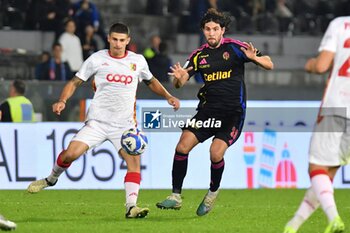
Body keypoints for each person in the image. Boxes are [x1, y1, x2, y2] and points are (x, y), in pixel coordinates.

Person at [27, 22, 180, 219]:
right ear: (108, 38)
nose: (118, 44)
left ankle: (131, 207)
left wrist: (168, 96)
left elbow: (151, 81)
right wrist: (62, 100)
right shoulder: (97, 59)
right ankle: (51, 178)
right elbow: (75, 81)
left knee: (134, 163)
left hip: (125, 125)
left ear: (128, 41)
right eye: (114, 39)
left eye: (122, 40)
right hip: (97, 122)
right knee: (69, 155)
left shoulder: (138, 61)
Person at [156, 8, 273, 216]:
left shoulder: (236, 48)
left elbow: (270, 64)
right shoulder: (199, 56)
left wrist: (255, 59)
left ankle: (212, 193)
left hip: (232, 114)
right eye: (208, 29)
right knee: (182, 147)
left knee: (215, 152)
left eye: (215, 29)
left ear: (222, 30)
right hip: (207, 112)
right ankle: (175, 196)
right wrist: (179, 76)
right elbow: (179, 83)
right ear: (203, 31)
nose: (211, 33)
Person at [283, 16, 350, 233]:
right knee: (326, 175)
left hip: (337, 106)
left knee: (317, 167)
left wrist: (310, 65)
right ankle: (293, 226)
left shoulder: (341, 24)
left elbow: (322, 65)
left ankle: (335, 219)